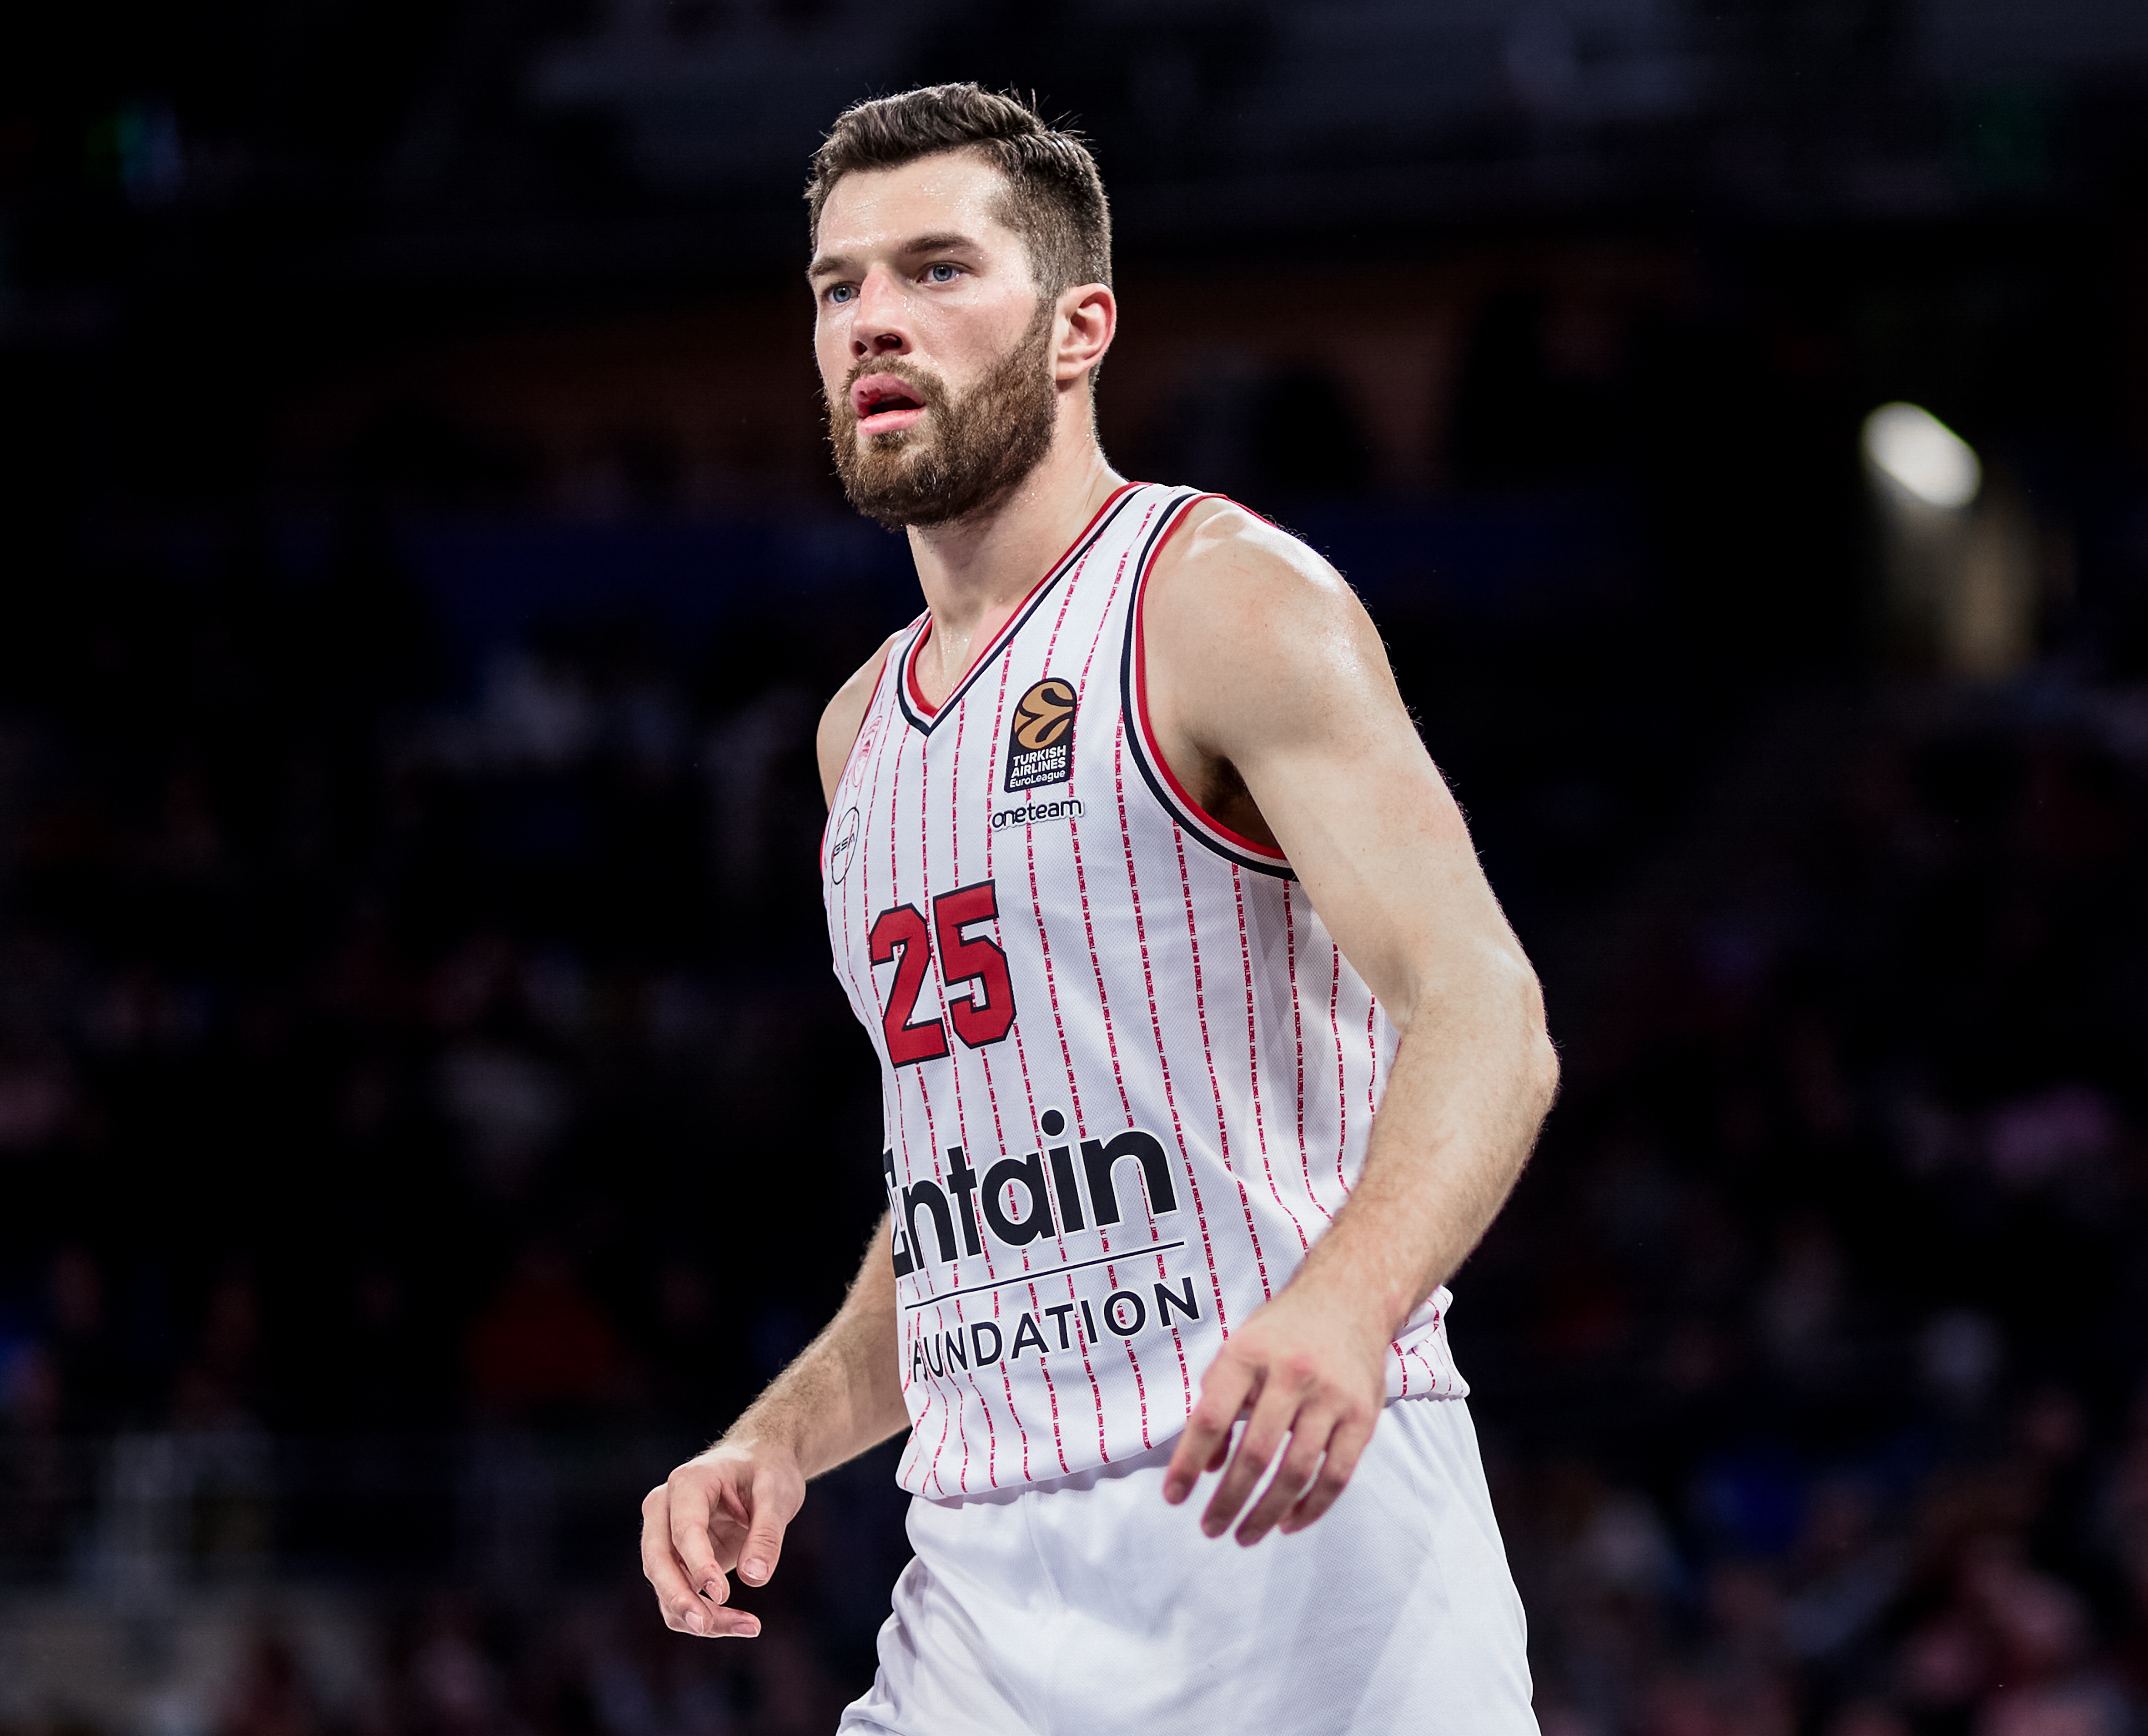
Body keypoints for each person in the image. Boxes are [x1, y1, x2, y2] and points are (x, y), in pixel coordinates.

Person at [638, 84, 1558, 1734]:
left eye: (935, 270)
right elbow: (963, 1205)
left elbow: (1486, 1007)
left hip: (1301, 1535)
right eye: (839, 286)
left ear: (1083, 327)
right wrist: (779, 1432)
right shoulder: (859, 737)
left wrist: (1345, 1305)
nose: (875, 323)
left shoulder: (1222, 599)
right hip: (986, 1579)